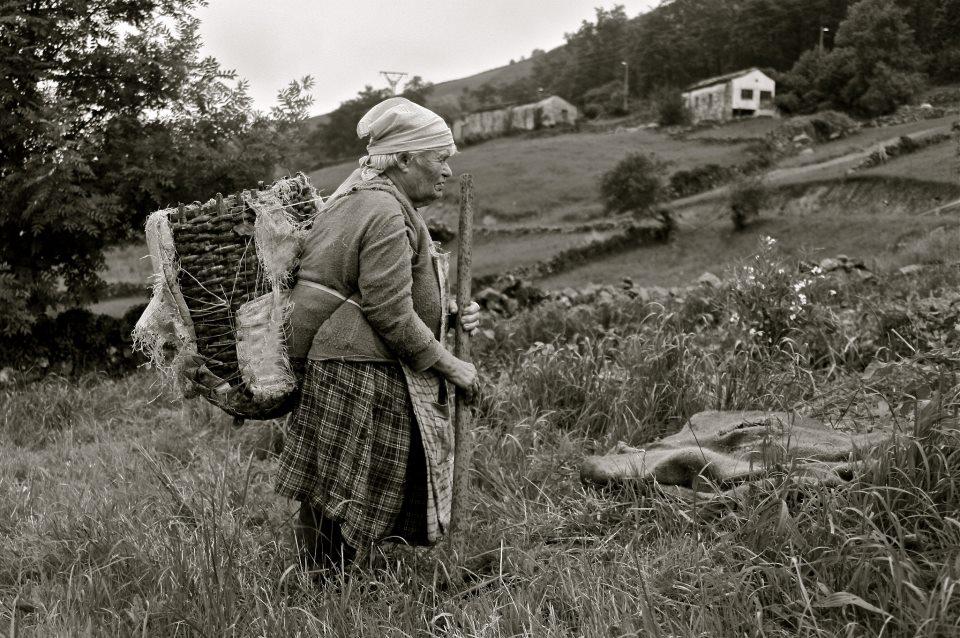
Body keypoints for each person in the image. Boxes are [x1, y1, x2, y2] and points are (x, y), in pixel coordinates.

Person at [276, 97, 481, 575]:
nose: (448, 171)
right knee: (343, 490)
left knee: (342, 486)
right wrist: (451, 365)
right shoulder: (384, 210)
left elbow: (391, 289)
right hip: (359, 370)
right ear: (405, 159)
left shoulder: (371, 202)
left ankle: (333, 585)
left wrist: (452, 312)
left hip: (353, 365)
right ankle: (327, 593)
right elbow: (388, 310)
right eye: (440, 158)